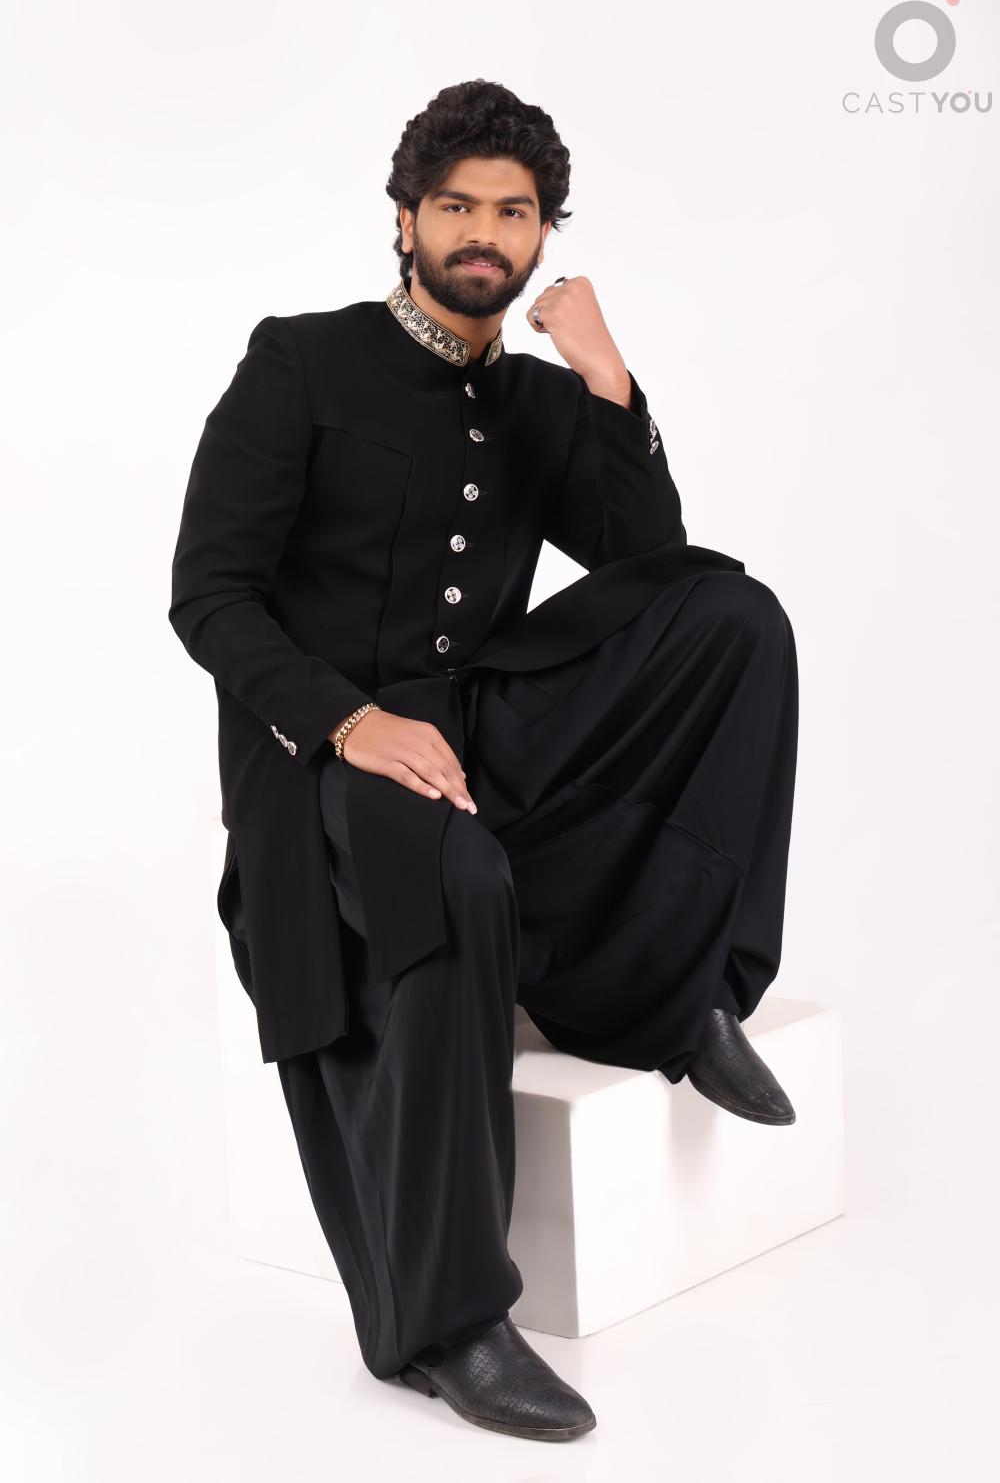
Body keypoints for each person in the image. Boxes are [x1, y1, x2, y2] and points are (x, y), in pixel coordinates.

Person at [168, 77, 799, 1444]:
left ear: (541, 233)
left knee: (733, 617)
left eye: (513, 213)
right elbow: (208, 595)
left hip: (481, 721)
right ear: (406, 220)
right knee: (453, 885)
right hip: (322, 762)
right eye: (456, 206)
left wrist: (608, 380)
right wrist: (348, 722)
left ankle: (683, 991)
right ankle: (454, 1322)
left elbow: (646, 567)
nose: (483, 233)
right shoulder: (301, 362)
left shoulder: (539, 398)